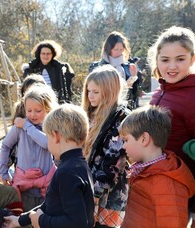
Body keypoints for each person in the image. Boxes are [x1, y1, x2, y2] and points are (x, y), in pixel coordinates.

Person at [3, 104, 95, 228]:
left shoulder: (66, 173)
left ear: (55, 136)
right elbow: (50, 204)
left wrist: (41, 221)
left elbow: (77, 222)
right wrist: (19, 221)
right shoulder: (79, 165)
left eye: (47, 136)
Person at [148, 26, 195, 225]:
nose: (172, 66)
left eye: (180, 59)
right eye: (165, 60)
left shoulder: (192, 95)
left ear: (192, 59)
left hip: (184, 182)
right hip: (158, 178)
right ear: (157, 60)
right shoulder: (160, 92)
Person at [119, 106, 195, 227]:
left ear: (144, 139)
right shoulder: (142, 171)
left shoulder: (166, 184)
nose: (123, 146)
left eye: (126, 140)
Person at [82, 65, 130, 228]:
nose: (90, 96)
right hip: (89, 187)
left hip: (108, 195)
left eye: (96, 92)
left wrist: (96, 191)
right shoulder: (91, 114)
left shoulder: (121, 119)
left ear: (110, 91)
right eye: (88, 91)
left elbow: (114, 160)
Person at [0, 84, 58, 212]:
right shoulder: (19, 128)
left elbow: (46, 143)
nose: (32, 115)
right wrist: (3, 172)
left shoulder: (51, 129)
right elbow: (5, 146)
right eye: (29, 110)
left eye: (38, 111)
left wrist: (27, 126)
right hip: (24, 186)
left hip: (46, 186)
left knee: (45, 217)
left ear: (48, 109)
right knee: (26, 217)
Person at [89, 31, 140, 110]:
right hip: (102, 109)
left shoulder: (127, 66)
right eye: (116, 49)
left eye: (121, 49)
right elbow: (92, 89)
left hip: (124, 110)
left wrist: (133, 77)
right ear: (109, 49)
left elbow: (134, 94)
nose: (119, 52)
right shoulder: (97, 67)